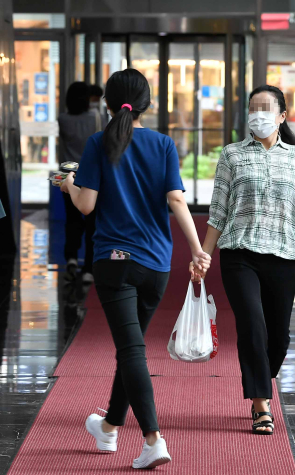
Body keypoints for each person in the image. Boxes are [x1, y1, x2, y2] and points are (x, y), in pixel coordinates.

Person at [61, 69, 210, 468]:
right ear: (148, 104)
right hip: (157, 266)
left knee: (131, 351)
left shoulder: (98, 142)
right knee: (132, 351)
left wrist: (68, 185)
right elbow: (177, 202)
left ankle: (153, 440)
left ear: (106, 104)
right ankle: (108, 427)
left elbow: (86, 205)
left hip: (115, 263)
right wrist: (197, 251)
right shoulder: (163, 144)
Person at [190, 84, 295, 435]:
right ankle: (260, 403)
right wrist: (203, 254)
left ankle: (262, 374)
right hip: (239, 252)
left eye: (266, 108)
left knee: (279, 337)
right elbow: (218, 210)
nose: (258, 114)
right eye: (253, 108)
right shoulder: (231, 154)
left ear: (281, 116)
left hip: (283, 253)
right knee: (252, 323)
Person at [58, 82, 102, 282]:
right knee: (92, 223)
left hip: (68, 175)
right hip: (90, 175)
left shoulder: (63, 119)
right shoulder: (95, 117)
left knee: (72, 220)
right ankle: (88, 269)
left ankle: (72, 259)